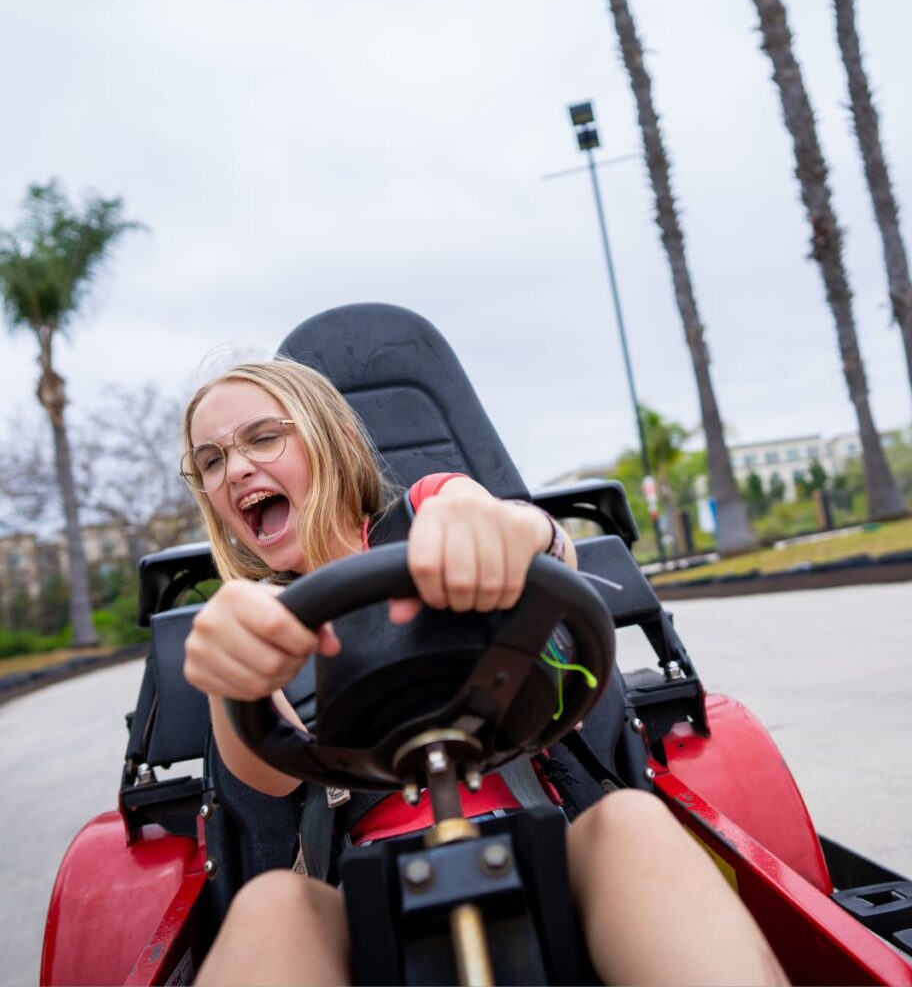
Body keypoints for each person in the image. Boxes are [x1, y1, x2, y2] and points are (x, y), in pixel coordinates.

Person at [181, 359, 788, 986]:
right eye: (211, 461)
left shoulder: (429, 510)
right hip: (366, 889)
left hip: (548, 839)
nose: (237, 469)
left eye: (262, 438)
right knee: (272, 904)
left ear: (330, 437)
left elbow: (519, 533)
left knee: (632, 820)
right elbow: (268, 777)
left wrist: (517, 531)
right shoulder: (255, 617)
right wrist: (233, 681)